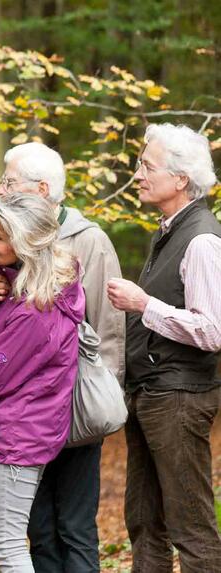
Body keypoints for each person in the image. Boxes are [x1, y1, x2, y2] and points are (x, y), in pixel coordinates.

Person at [0, 142, 124, 572]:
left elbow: (107, 330)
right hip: (26, 416)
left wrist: (99, 403)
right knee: (40, 530)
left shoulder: (90, 241)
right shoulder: (9, 239)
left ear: (42, 189)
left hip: (73, 409)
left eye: (9, 181)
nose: (0, 189)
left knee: (75, 527)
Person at [106, 123, 221, 572]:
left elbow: (212, 331)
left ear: (180, 178)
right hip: (151, 395)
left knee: (191, 529)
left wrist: (144, 304)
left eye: (147, 166)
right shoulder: (169, 232)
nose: (137, 175)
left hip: (180, 398)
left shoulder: (203, 240)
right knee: (143, 521)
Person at [0, 192, 84, 572]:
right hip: (19, 428)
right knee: (7, 539)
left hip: (21, 434)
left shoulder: (36, 308)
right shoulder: (16, 286)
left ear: (25, 244)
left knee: (6, 543)